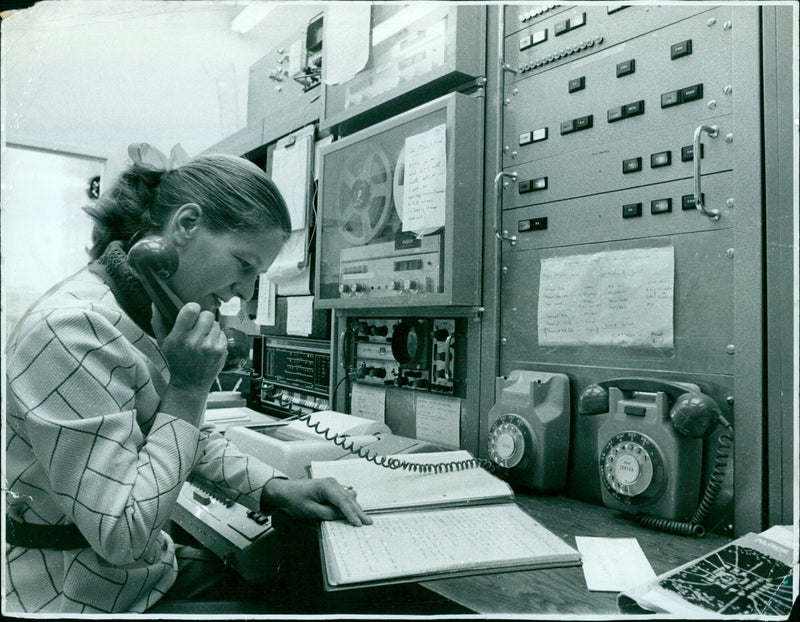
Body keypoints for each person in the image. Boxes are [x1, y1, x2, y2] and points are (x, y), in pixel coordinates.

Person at [3, 143, 372, 614]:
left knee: (280, 584)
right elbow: (124, 533)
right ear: (186, 225)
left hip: (139, 576)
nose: (243, 292)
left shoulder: (134, 314)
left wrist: (276, 488)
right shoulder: (72, 331)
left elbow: (174, 432)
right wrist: (189, 386)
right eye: (244, 266)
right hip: (79, 595)